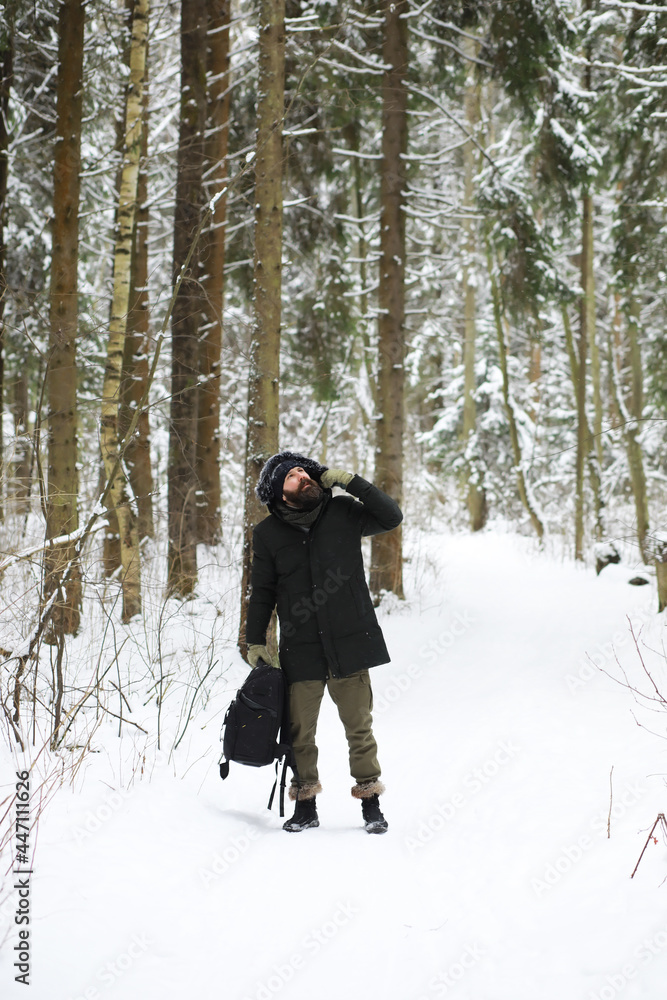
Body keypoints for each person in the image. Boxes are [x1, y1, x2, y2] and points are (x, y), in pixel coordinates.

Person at [245, 451, 403, 834]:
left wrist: (350, 480)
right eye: (293, 477)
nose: (303, 478)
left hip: (350, 641)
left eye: (305, 472)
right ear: (280, 494)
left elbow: (391, 516)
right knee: (300, 733)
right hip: (300, 648)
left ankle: (371, 804)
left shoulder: (345, 513)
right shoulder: (268, 534)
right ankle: (305, 807)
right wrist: (254, 641)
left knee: (359, 729)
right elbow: (262, 590)